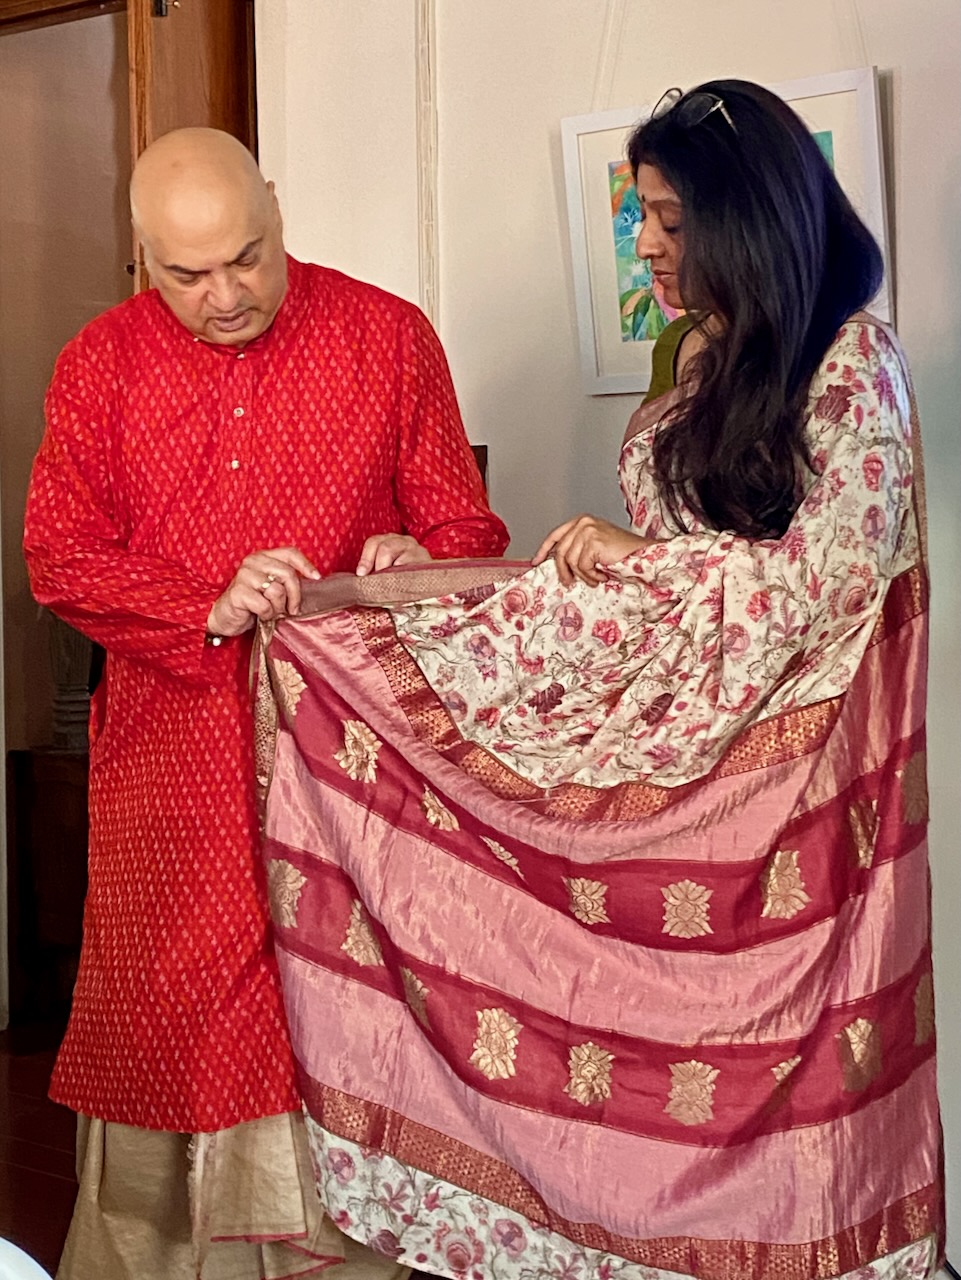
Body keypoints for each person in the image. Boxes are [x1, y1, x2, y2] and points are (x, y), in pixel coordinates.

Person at [252, 82, 943, 1280]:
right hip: (668, 774)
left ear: (748, 219)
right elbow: (635, 598)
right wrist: (411, 596)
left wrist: (631, 560)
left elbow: (815, 590)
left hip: (787, 807)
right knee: (614, 1068)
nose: (649, 247)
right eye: (642, 218)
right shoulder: (698, 353)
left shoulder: (852, 364)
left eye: (671, 220)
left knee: (782, 1114)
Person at [22, 127, 508, 1280]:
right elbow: (60, 554)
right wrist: (205, 600)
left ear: (278, 211)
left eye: (246, 256)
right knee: (173, 1024)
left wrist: (418, 557)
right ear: (142, 255)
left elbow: (467, 531)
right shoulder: (99, 364)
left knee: (338, 1012)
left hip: (346, 772)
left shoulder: (386, 336)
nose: (225, 293)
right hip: (171, 767)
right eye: (187, 274)